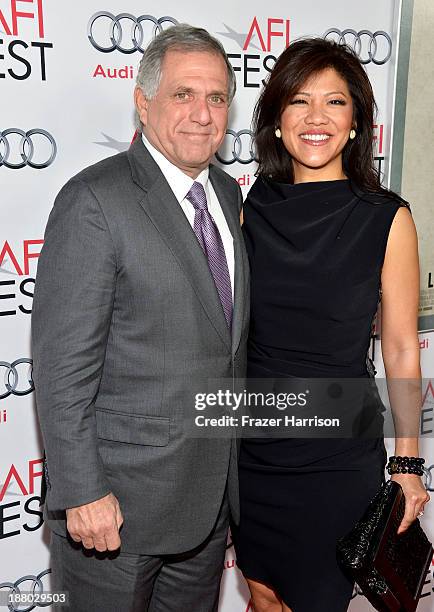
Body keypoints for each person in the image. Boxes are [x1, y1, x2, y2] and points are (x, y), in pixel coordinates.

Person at [31, 24, 249, 611]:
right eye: (183, 94)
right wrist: (82, 491)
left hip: (205, 509)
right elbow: (62, 370)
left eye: (217, 98)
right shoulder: (94, 200)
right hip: (116, 511)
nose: (202, 114)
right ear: (143, 100)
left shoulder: (228, 196)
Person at [232, 38, 429, 612]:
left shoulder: (386, 217)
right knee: (263, 597)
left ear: (356, 123)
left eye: (335, 103)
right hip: (251, 453)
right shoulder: (246, 207)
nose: (316, 118)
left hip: (335, 457)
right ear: (274, 121)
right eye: (299, 101)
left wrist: (408, 463)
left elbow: (399, 348)